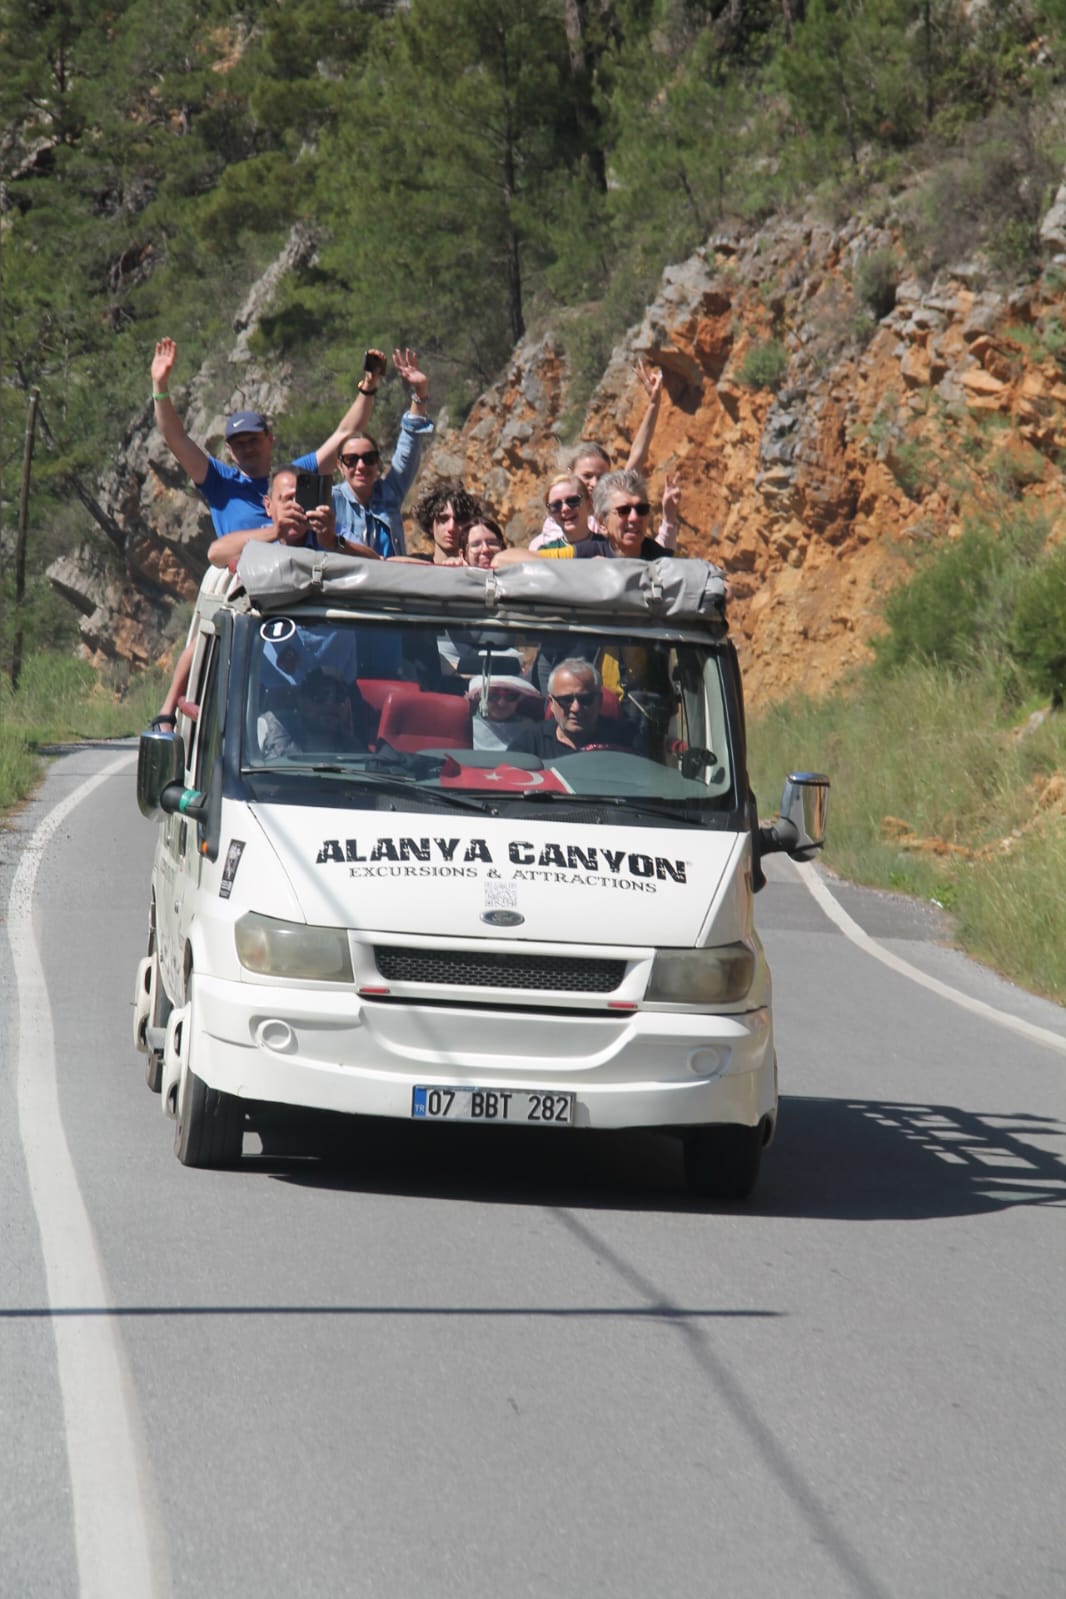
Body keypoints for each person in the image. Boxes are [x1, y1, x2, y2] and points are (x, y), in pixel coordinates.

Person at [149, 335, 380, 536]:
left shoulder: (294, 477)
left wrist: (368, 388)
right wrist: (160, 385)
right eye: (239, 444)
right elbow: (176, 438)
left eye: (253, 440)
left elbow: (345, 435)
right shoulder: (219, 482)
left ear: (270, 439)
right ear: (229, 450)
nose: (247, 447)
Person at [531, 360, 671, 550]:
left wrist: (654, 404)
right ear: (571, 474)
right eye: (587, 476)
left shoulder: (612, 515)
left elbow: (637, 457)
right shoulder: (558, 521)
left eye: (602, 477)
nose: (595, 484)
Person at [332, 349, 433, 558]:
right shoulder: (330, 501)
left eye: (368, 459)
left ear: (378, 464)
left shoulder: (390, 493)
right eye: (351, 460)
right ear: (340, 466)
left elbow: (409, 444)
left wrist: (420, 391)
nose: (361, 466)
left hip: (392, 586)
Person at [509, 660, 635, 759]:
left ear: (600, 701)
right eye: (566, 700)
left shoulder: (625, 741)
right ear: (552, 703)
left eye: (586, 699)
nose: (576, 708)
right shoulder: (530, 744)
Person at [257, 667, 369, 761]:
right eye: (319, 695)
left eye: (339, 696)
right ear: (300, 700)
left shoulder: (356, 754)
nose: (330, 703)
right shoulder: (269, 728)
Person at [466, 656, 542, 750]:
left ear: (521, 697)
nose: (501, 703)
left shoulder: (530, 730)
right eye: (493, 695)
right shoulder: (466, 726)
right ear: (479, 696)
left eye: (511, 696)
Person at [404, 483, 483, 563]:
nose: (451, 528)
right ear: (431, 525)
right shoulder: (413, 566)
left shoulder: (477, 569)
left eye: (459, 520)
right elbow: (392, 562)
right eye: (443, 519)